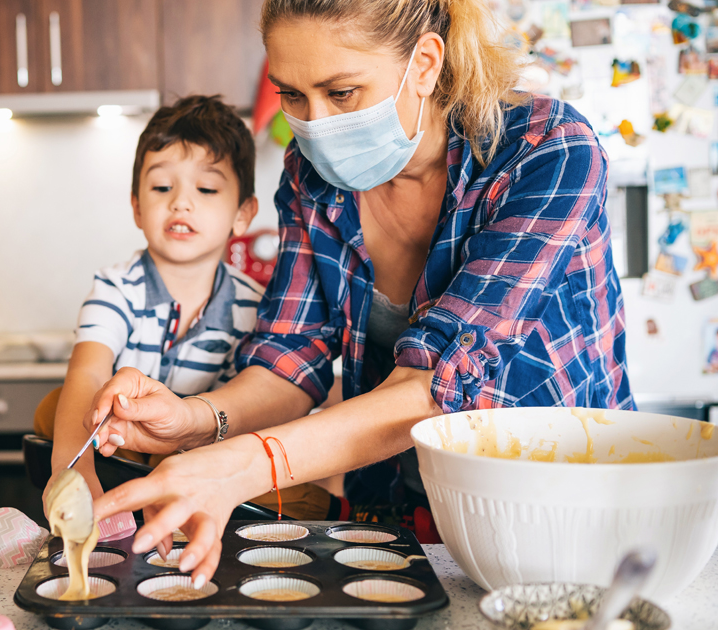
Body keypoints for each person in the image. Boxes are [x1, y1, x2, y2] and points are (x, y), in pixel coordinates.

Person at [84, 0, 633, 588]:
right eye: (292, 95)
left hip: (557, 511)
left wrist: (242, 466)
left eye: (341, 93)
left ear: (424, 64)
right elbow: (288, 359)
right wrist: (195, 420)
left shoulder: (547, 150)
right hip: (395, 509)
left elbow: (436, 388)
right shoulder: (311, 176)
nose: (315, 122)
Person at [37, 95, 336, 523]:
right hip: (120, 451)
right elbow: (87, 371)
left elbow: (264, 415)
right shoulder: (117, 287)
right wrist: (73, 469)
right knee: (55, 406)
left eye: (207, 188)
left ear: (243, 214)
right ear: (137, 207)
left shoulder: (257, 308)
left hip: (211, 465)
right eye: (162, 187)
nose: (181, 202)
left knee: (297, 491)